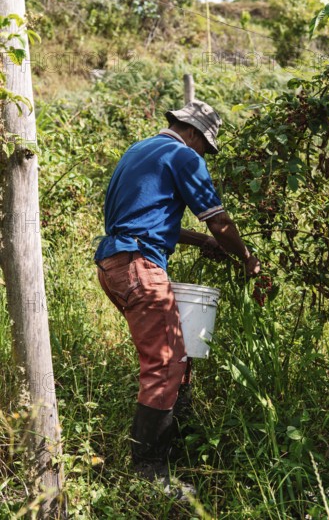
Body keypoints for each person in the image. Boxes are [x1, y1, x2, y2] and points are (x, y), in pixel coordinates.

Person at [94, 100, 260, 487]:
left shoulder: (138, 150)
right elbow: (219, 221)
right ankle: (150, 477)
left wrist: (196, 240)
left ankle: (174, 451)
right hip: (140, 266)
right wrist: (247, 257)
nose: (204, 154)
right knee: (165, 364)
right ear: (195, 134)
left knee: (176, 359)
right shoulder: (184, 156)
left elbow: (135, 219)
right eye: (206, 146)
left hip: (115, 264)